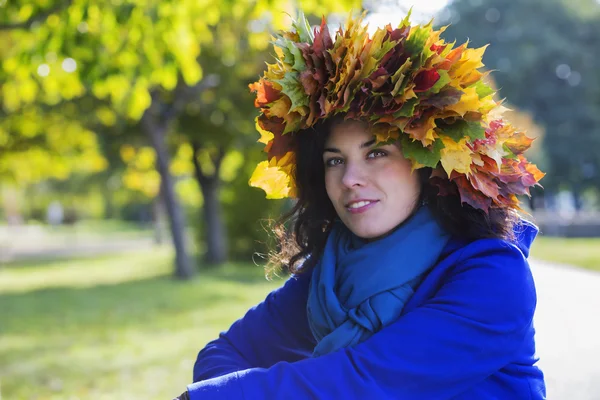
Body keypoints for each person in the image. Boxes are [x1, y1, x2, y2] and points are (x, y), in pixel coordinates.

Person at [174, 10, 546, 399]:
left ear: (425, 165)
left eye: (376, 154)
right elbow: (227, 353)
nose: (349, 178)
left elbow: (364, 382)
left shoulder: (492, 275)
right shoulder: (332, 274)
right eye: (335, 160)